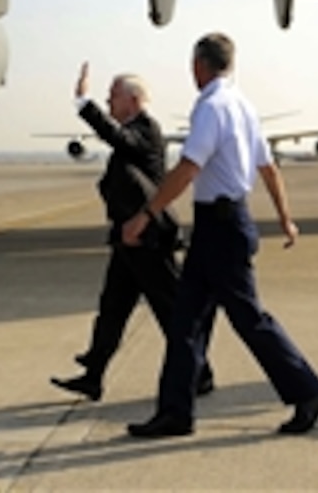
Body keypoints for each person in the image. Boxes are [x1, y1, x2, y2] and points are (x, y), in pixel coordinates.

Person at [121, 33, 318, 438]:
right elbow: (269, 169)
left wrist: (146, 214)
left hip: (221, 230)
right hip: (225, 223)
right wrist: (286, 218)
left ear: (199, 65)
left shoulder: (211, 108)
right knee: (186, 322)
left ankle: (309, 391)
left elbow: (187, 169)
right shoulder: (244, 107)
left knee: (249, 319)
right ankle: (175, 412)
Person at [50, 63, 214, 402]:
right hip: (128, 239)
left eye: (113, 97)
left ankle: (201, 373)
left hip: (149, 240)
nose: (109, 103)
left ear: (134, 101)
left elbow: (117, 138)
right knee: (112, 306)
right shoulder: (133, 132)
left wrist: (84, 104)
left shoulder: (147, 131)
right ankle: (93, 375)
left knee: (170, 309)